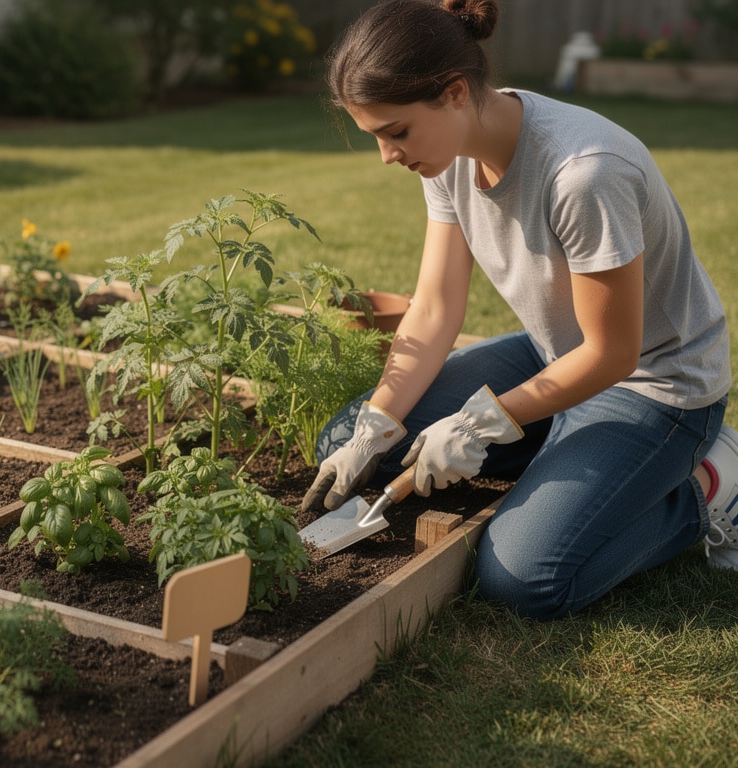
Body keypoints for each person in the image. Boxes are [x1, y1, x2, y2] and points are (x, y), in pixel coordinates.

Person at [302, 0, 737, 620]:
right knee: (347, 442)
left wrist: (480, 424)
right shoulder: (447, 155)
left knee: (523, 578)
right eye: (375, 136)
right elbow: (433, 309)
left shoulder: (584, 174)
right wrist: (376, 425)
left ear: (455, 93)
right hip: (557, 353)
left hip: (654, 385)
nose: (387, 155)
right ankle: (573, 454)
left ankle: (705, 487)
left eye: (395, 132)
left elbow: (613, 352)